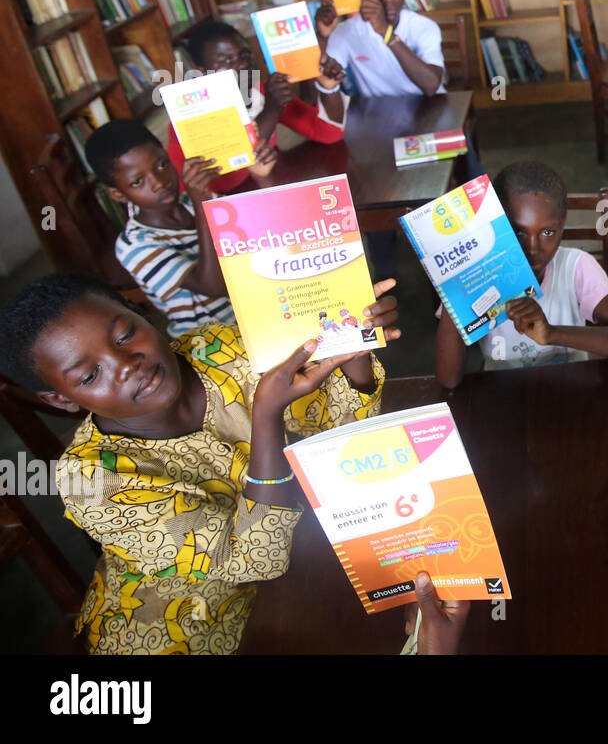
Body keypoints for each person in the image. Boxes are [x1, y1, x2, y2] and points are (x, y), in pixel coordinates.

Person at [0, 272, 398, 654]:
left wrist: (353, 349)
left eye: (124, 335)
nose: (126, 364)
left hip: (306, 560)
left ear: (140, 312)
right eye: (89, 376)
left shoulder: (216, 349)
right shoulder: (89, 481)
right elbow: (256, 560)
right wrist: (266, 416)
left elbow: (339, 434)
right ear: (61, 400)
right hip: (190, 629)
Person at [433, 161, 608, 387]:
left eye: (547, 232)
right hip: (501, 397)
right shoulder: (478, 279)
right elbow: (448, 380)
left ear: (562, 226)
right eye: (518, 232)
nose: (532, 249)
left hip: (571, 393)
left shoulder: (576, 267)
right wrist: (456, 283)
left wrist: (552, 334)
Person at [87, 119, 256, 338]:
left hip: (253, 316)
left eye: (162, 165)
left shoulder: (194, 202)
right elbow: (214, 286)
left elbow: (262, 235)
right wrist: (203, 205)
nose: (159, 182)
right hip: (211, 344)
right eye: (138, 181)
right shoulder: (133, 245)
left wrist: (263, 176)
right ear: (117, 194)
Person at [167, 21, 346, 196]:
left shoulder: (259, 91)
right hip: (219, 207)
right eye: (226, 60)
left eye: (245, 54)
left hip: (266, 187)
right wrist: (271, 110)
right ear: (202, 72)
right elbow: (229, 181)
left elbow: (329, 133)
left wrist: (329, 88)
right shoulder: (192, 115)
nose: (243, 64)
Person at [315, 0, 446, 97]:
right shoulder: (347, 31)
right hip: (379, 111)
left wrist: (385, 32)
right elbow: (321, 81)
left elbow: (431, 85)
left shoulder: (424, 26)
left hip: (429, 107)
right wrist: (322, 36)